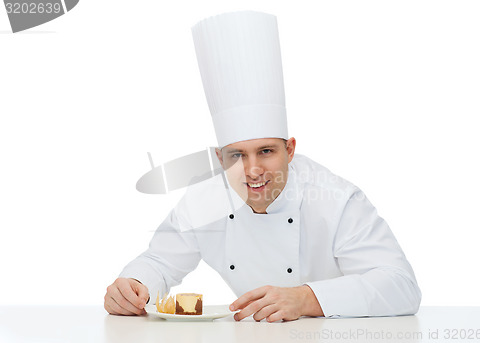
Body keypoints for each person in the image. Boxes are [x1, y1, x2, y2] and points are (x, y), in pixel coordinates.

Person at [104, 11, 421, 322]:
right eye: (236, 155)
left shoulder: (336, 201)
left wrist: (306, 298)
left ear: (290, 149)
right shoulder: (204, 198)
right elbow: (159, 261)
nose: (253, 170)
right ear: (219, 159)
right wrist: (133, 285)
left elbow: (402, 285)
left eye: (266, 151)